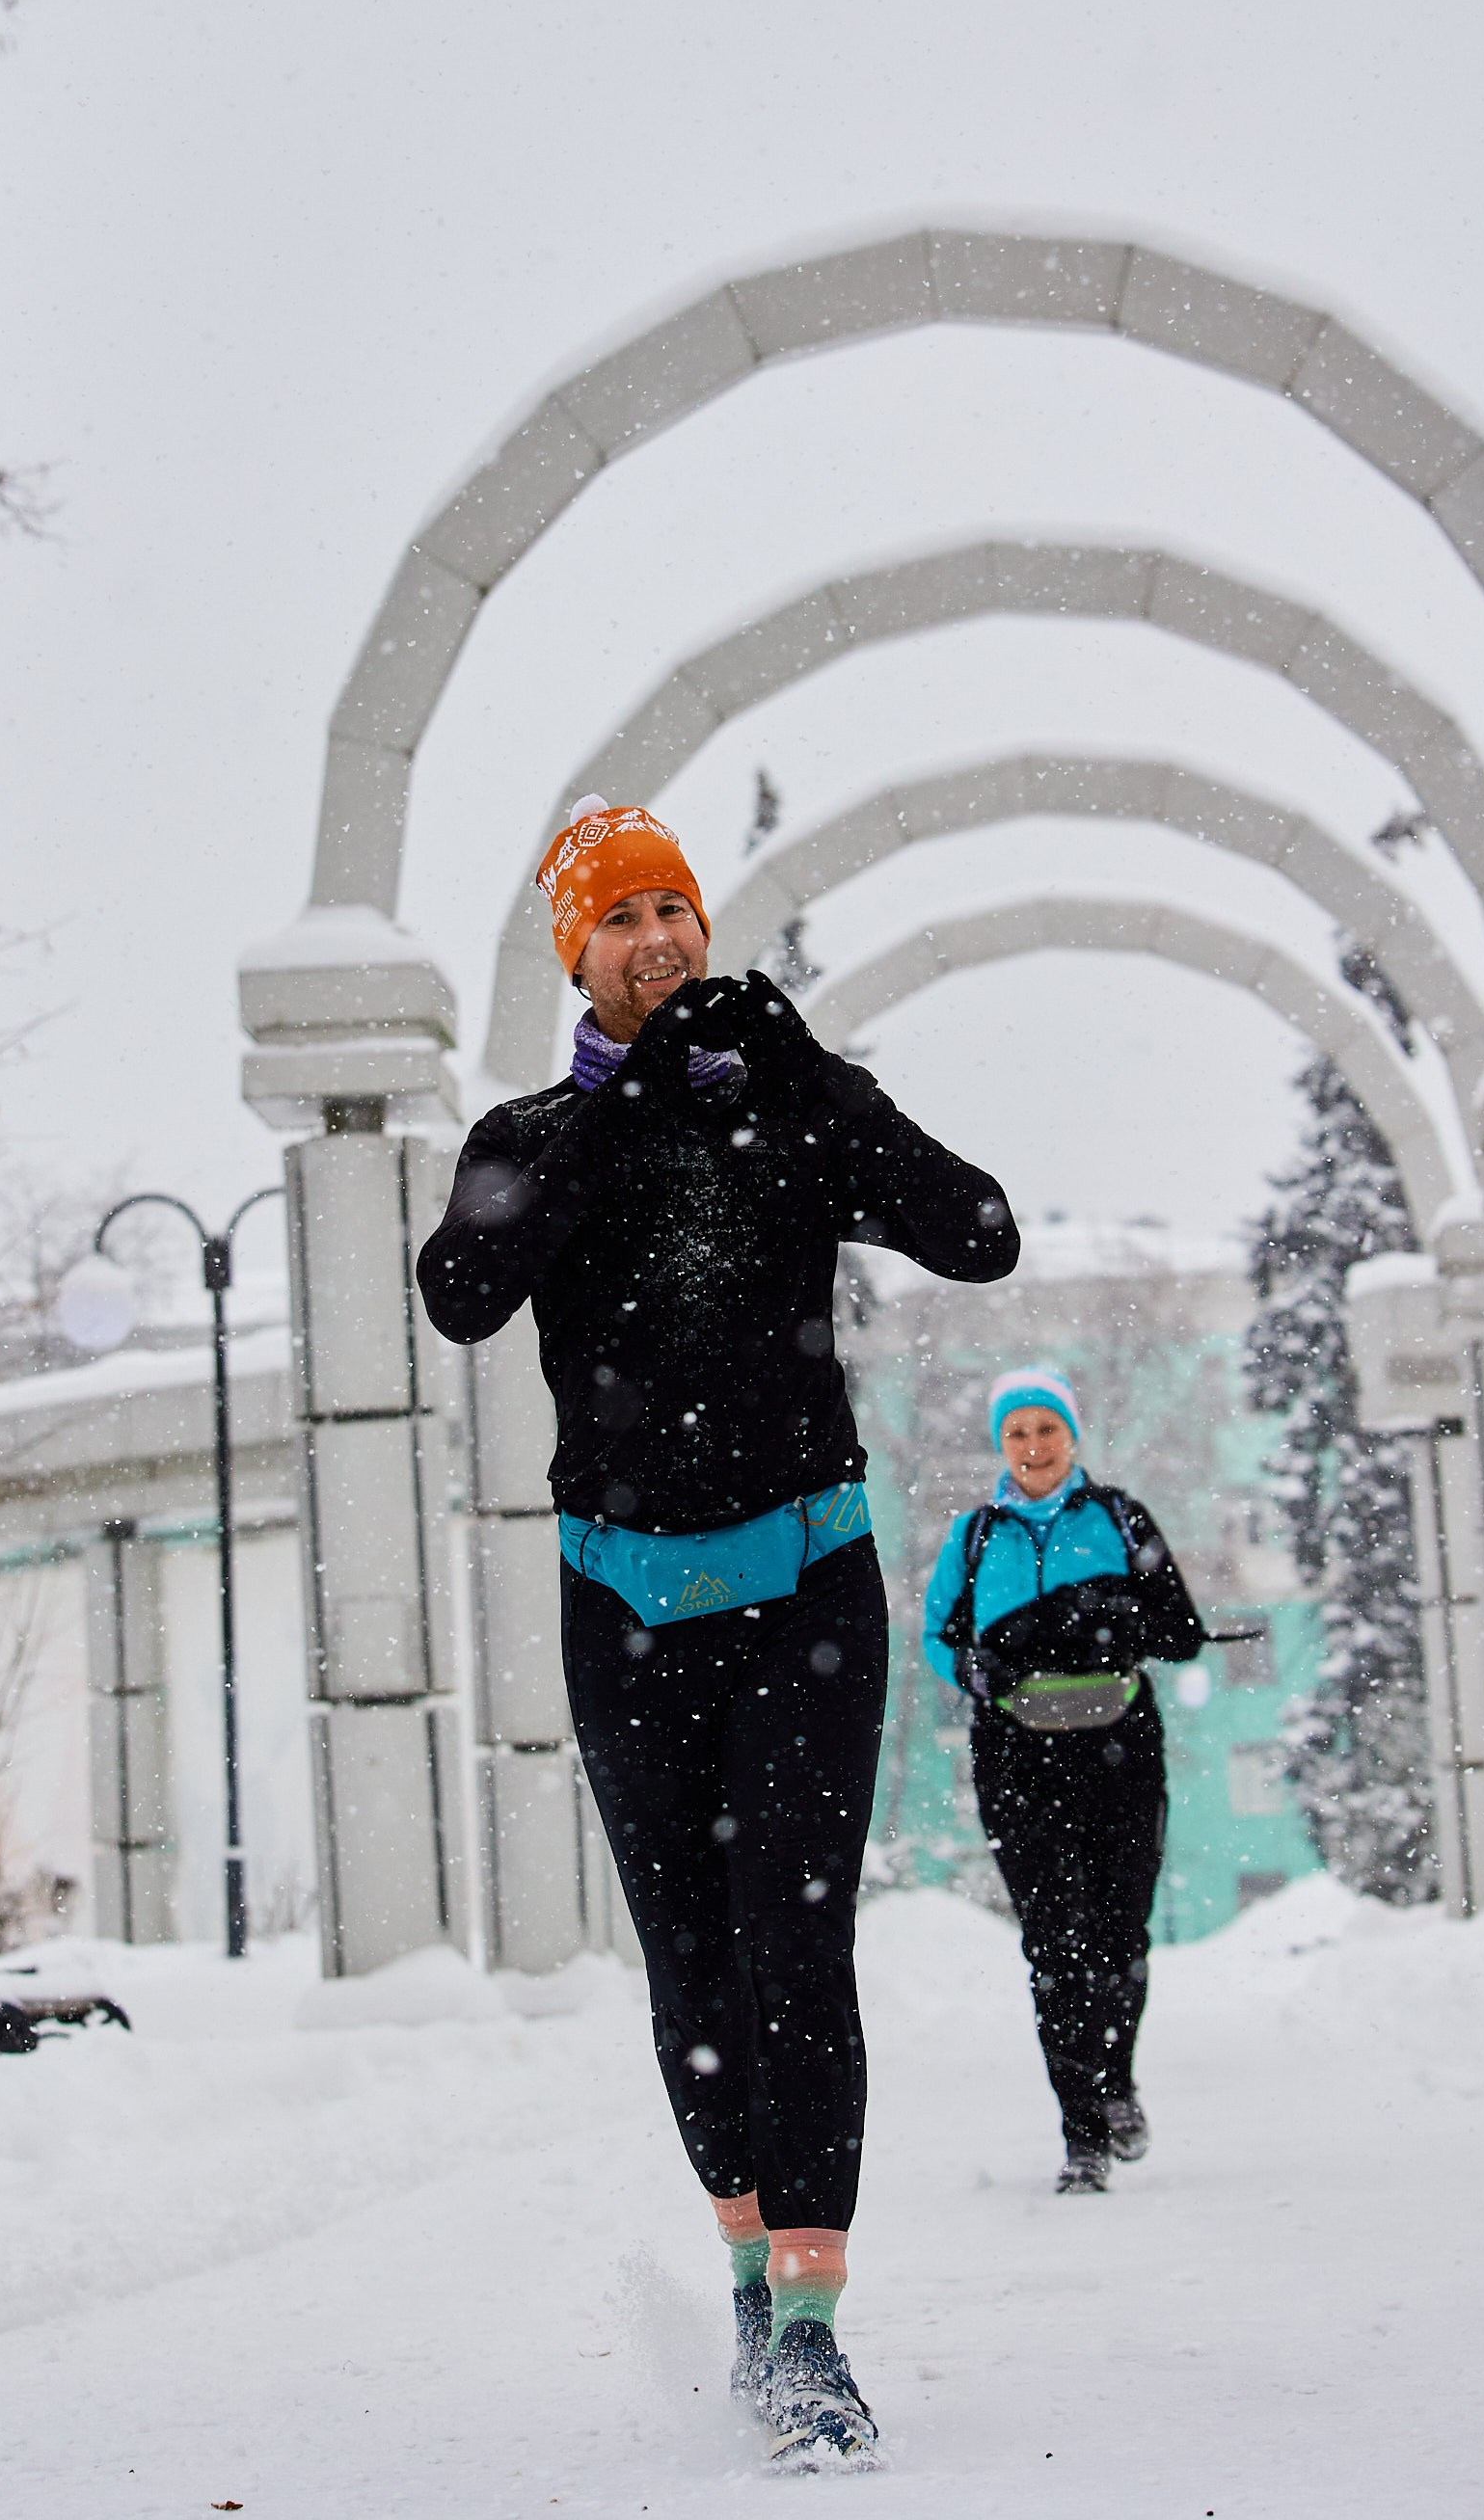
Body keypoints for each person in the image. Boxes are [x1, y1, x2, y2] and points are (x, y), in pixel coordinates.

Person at [417, 796, 1019, 2466]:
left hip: (809, 1593)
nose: (658, 938)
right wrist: (624, 1112)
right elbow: (464, 1290)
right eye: (619, 919)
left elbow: (980, 1233)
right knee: (691, 1959)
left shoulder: (788, 1102)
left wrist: (814, 1081)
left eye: (674, 905)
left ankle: (816, 2332)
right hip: (625, 1611)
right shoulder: (529, 1133)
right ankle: (750, 2279)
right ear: (576, 955)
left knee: (795, 1945)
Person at [922, 1365, 1204, 2194]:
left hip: (1121, 1749)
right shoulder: (976, 1535)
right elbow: (943, 1637)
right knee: (1053, 1944)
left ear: (1071, 1437)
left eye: (1046, 1429)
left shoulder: (1120, 1519)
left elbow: (1179, 1630)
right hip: (1017, 1758)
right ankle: (1081, 2132)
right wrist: (985, 1670)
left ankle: (1117, 2084)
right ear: (1000, 1445)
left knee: (1120, 1934)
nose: (1033, 1446)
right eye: (1017, 1433)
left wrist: (1103, 1616)